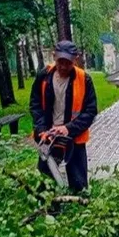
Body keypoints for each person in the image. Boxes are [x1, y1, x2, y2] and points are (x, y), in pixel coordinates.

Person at [29, 41, 98, 191]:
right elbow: (35, 105)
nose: (64, 67)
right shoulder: (44, 76)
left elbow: (90, 111)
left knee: (79, 183)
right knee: (45, 181)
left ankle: (79, 201)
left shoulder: (84, 79)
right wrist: (41, 129)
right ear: (54, 56)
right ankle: (48, 202)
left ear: (75, 59)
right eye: (61, 62)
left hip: (74, 136)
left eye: (68, 63)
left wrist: (68, 128)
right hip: (49, 135)